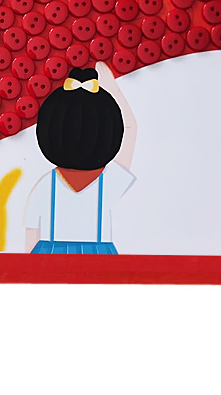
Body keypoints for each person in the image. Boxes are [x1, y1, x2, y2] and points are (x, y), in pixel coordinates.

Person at [24, 62, 137, 254]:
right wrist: (113, 88)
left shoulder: (45, 184)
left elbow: (31, 237)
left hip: (50, 256)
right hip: (99, 258)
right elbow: (131, 129)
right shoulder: (108, 183)